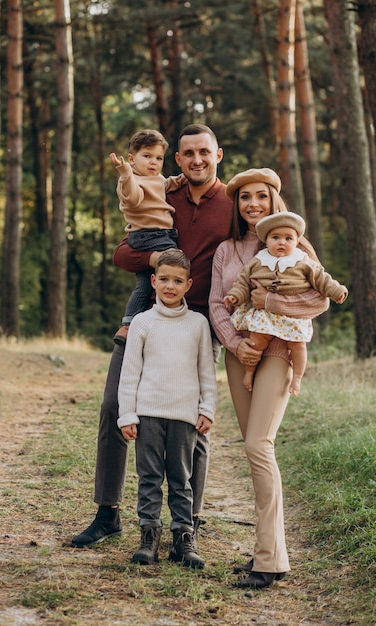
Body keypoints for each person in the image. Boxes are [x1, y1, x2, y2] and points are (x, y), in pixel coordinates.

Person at [70, 124, 233, 549]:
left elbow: (276, 236)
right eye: (188, 153)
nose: (196, 159)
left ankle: (187, 524)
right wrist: (154, 256)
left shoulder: (234, 201)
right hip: (147, 317)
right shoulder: (163, 192)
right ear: (177, 159)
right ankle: (108, 513)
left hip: (200, 322)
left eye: (204, 152)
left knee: (194, 421)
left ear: (218, 155)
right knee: (113, 407)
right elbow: (123, 253)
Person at [209, 167, 329, 589]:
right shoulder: (227, 250)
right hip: (239, 355)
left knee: (260, 444)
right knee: (252, 449)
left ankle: (271, 560)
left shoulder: (295, 245)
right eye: (244, 197)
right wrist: (233, 343)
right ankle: (266, 550)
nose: (253, 203)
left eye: (261, 196)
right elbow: (216, 305)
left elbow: (317, 302)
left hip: (278, 350)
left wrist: (270, 299)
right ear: (237, 204)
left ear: (273, 199)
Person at [118, 249, 217, 569]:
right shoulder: (144, 323)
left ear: (189, 284)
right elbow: (130, 372)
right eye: (164, 280)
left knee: (181, 478)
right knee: (148, 478)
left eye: (177, 281)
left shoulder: (198, 324)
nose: (170, 286)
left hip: (184, 418)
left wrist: (207, 408)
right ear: (153, 281)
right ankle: (149, 535)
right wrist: (127, 414)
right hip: (148, 415)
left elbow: (207, 373)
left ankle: (183, 537)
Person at [224, 211, 348, 395]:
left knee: (298, 346)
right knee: (255, 343)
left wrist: (337, 291)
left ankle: (297, 378)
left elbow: (322, 280)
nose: (282, 242)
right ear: (266, 240)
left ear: (297, 242)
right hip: (265, 317)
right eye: (276, 237)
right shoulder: (258, 261)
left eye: (288, 238)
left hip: (292, 315)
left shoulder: (303, 261)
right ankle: (249, 373)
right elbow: (243, 281)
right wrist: (235, 296)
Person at [109, 129, 186, 346]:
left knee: (144, 283)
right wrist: (125, 173)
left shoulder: (156, 178)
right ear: (132, 158)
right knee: (176, 261)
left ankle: (127, 324)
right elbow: (133, 199)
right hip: (148, 234)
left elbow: (165, 185)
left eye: (158, 158)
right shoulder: (131, 180)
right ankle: (173, 312)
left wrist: (182, 179)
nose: (153, 162)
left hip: (157, 234)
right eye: (147, 156)